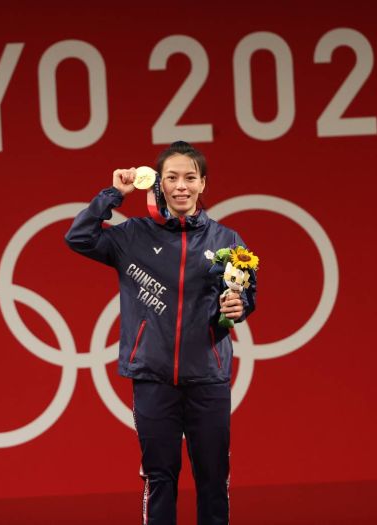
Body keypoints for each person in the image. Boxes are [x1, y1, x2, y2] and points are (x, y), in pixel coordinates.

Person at [64, 141, 257, 525]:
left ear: (203, 184)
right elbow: (79, 237)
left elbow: (244, 296)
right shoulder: (133, 235)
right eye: (172, 177)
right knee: (160, 479)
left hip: (208, 378)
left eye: (190, 177)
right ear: (158, 184)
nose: (181, 185)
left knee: (213, 480)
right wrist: (114, 194)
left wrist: (241, 306)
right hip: (153, 378)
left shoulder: (227, 241)